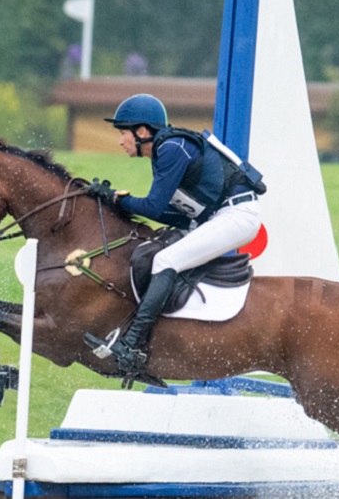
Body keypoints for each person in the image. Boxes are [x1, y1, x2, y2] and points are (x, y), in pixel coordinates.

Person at [85, 94, 265, 375]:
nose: (120, 141)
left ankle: (132, 345)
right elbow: (178, 215)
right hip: (220, 215)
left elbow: (154, 207)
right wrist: (115, 200)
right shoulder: (165, 150)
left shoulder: (171, 149)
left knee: (165, 261)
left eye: (123, 133)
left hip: (236, 216)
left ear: (142, 131)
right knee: (159, 250)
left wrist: (114, 198)